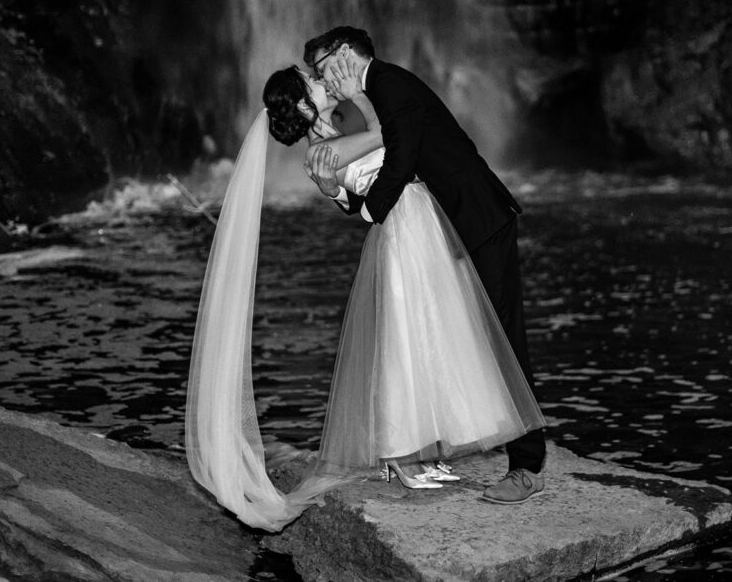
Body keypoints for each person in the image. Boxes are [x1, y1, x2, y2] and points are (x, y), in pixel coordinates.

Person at [184, 59, 544, 531]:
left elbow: (352, 195)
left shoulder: (325, 142)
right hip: (406, 226)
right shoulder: (331, 144)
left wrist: (335, 187)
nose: (321, 81)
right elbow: (387, 135)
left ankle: (420, 448)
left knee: (430, 332)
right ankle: (403, 453)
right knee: (409, 337)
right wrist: (356, 89)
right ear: (299, 103)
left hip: (415, 219)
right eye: (312, 82)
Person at [303, 26, 547, 504]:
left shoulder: (390, 84)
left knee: (503, 335)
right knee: (460, 335)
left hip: (479, 219)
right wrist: (341, 194)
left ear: (348, 54)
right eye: (315, 74)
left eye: (323, 66)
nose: (323, 79)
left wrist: (372, 214)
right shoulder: (371, 98)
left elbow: (400, 159)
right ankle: (446, 444)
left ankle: (527, 468)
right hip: (446, 231)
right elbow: (376, 174)